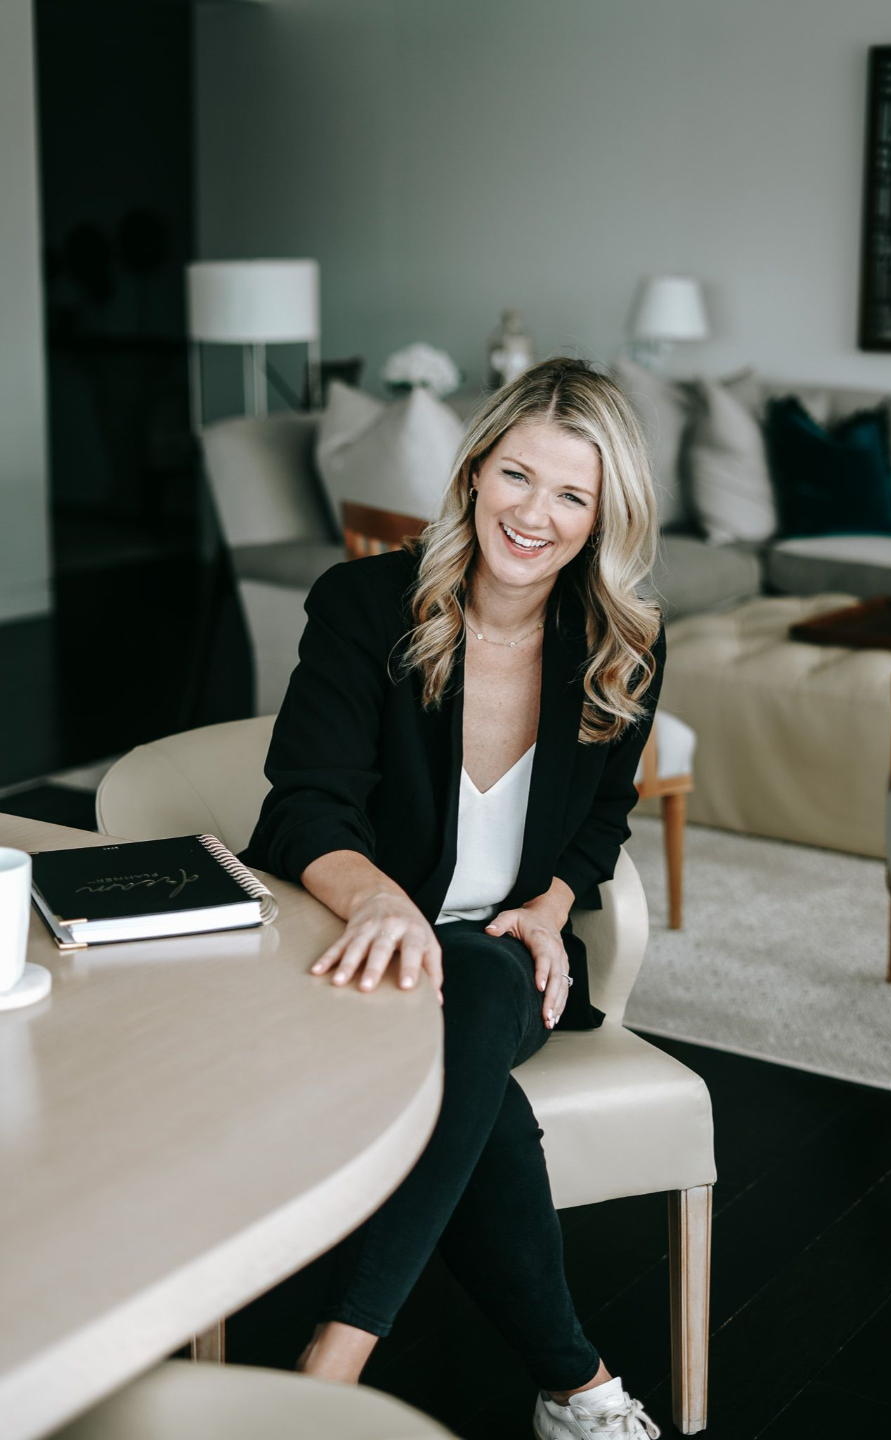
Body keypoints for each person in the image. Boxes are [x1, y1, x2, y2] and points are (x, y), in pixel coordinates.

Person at [240, 356, 666, 1440]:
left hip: (501, 960)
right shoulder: (362, 604)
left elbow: (604, 816)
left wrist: (550, 904)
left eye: (570, 494)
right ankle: (578, 1387)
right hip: (348, 950)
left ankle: (333, 1361)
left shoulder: (622, 645)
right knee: (482, 1093)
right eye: (516, 475)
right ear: (474, 469)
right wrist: (379, 901)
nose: (533, 515)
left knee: (474, 980)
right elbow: (304, 804)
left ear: (602, 516)